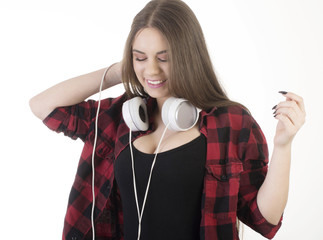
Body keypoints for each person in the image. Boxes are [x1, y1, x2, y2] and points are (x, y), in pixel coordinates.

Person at [29, 0, 306, 239]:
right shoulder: (122, 116)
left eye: (164, 58)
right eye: (141, 57)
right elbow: (43, 106)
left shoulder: (232, 122)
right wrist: (120, 71)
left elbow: (265, 220)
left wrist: (283, 146)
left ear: (188, 57)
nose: (151, 70)